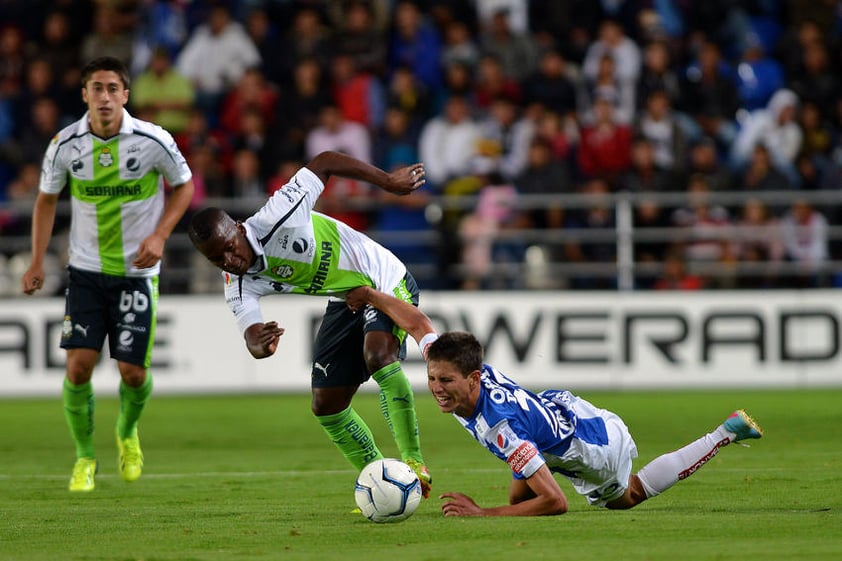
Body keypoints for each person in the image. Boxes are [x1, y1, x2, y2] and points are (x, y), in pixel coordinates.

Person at [344, 286, 763, 517]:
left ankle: (725, 432)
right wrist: (370, 294)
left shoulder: (500, 428)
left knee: (629, 496)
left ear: (473, 378)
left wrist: (480, 514)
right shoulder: (456, 362)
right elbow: (418, 322)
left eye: (446, 381)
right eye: (432, 377)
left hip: (593, 445)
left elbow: (557, 503)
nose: (436, 387)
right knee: (518, 501)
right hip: (560, 410)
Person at [187, 150, 432, 496]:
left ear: (239, 229)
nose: (230, 260)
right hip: (345, 297)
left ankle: (413, 463)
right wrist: (260, 345)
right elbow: (252, 336)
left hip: (383, 278)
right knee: (326, 404)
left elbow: (327, 161)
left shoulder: (279, 214)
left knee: (378, 355)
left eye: (230, 247)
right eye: (217, 259)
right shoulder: (236, 285)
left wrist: (388, 182)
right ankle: (382, 484)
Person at [20, 56, 195, 492]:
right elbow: (45, 201)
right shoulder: (64, 145)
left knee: (132, 374)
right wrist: (37, 260)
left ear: (126, 95)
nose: (104, 97)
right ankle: (83, 458)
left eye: (112, 88)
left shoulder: (154, 140)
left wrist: (159, 237)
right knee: (78, 367)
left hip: (138, 274)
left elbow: (185, 186)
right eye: (96, 88)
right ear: (84, 95)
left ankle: (127, 431)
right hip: (85, 270)